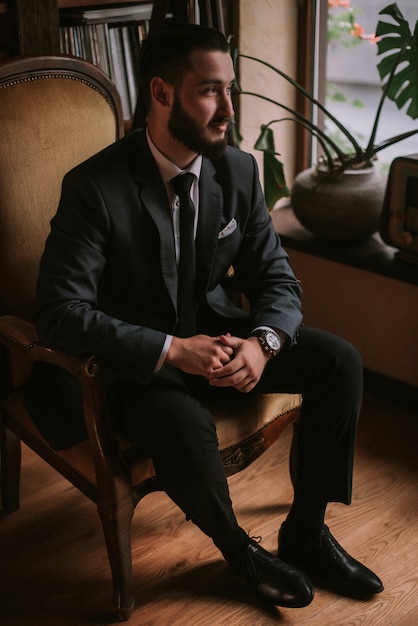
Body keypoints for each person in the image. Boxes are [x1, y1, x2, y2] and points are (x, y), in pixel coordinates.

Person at [30, 23, 383, 609]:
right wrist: (172, 350)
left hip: (216, 333)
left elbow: (276, 278)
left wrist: (263, 343)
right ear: (162, 93)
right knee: (183, 425)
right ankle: (240, 552)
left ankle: (307, 532)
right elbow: (59, 314)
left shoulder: (238, 172)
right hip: (131, 359)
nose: (229, 108)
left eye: (231, 89)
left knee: (338, 361)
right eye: (211, 91)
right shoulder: (93, 187)